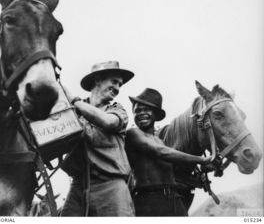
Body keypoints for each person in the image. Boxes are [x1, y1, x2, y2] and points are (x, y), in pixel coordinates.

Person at [61, 60, 135, 216]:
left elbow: (108, 122)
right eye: (114, 82)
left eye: (120, 85)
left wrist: (74, 101)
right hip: (79, 185)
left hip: (111, 185)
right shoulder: (72, 112)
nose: (117, 88)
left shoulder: (117, 109)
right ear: (97, 80)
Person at [125, 88, 212, 216]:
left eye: (146, 109)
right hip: (148, 201)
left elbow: (173, 165)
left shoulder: (160, 141)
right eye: (137, 110)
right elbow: (161, 152)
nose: (142, 113)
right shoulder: (132, 134)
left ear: (155, 114)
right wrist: (201, 159)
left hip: (174, 199)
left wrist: (204, 167)